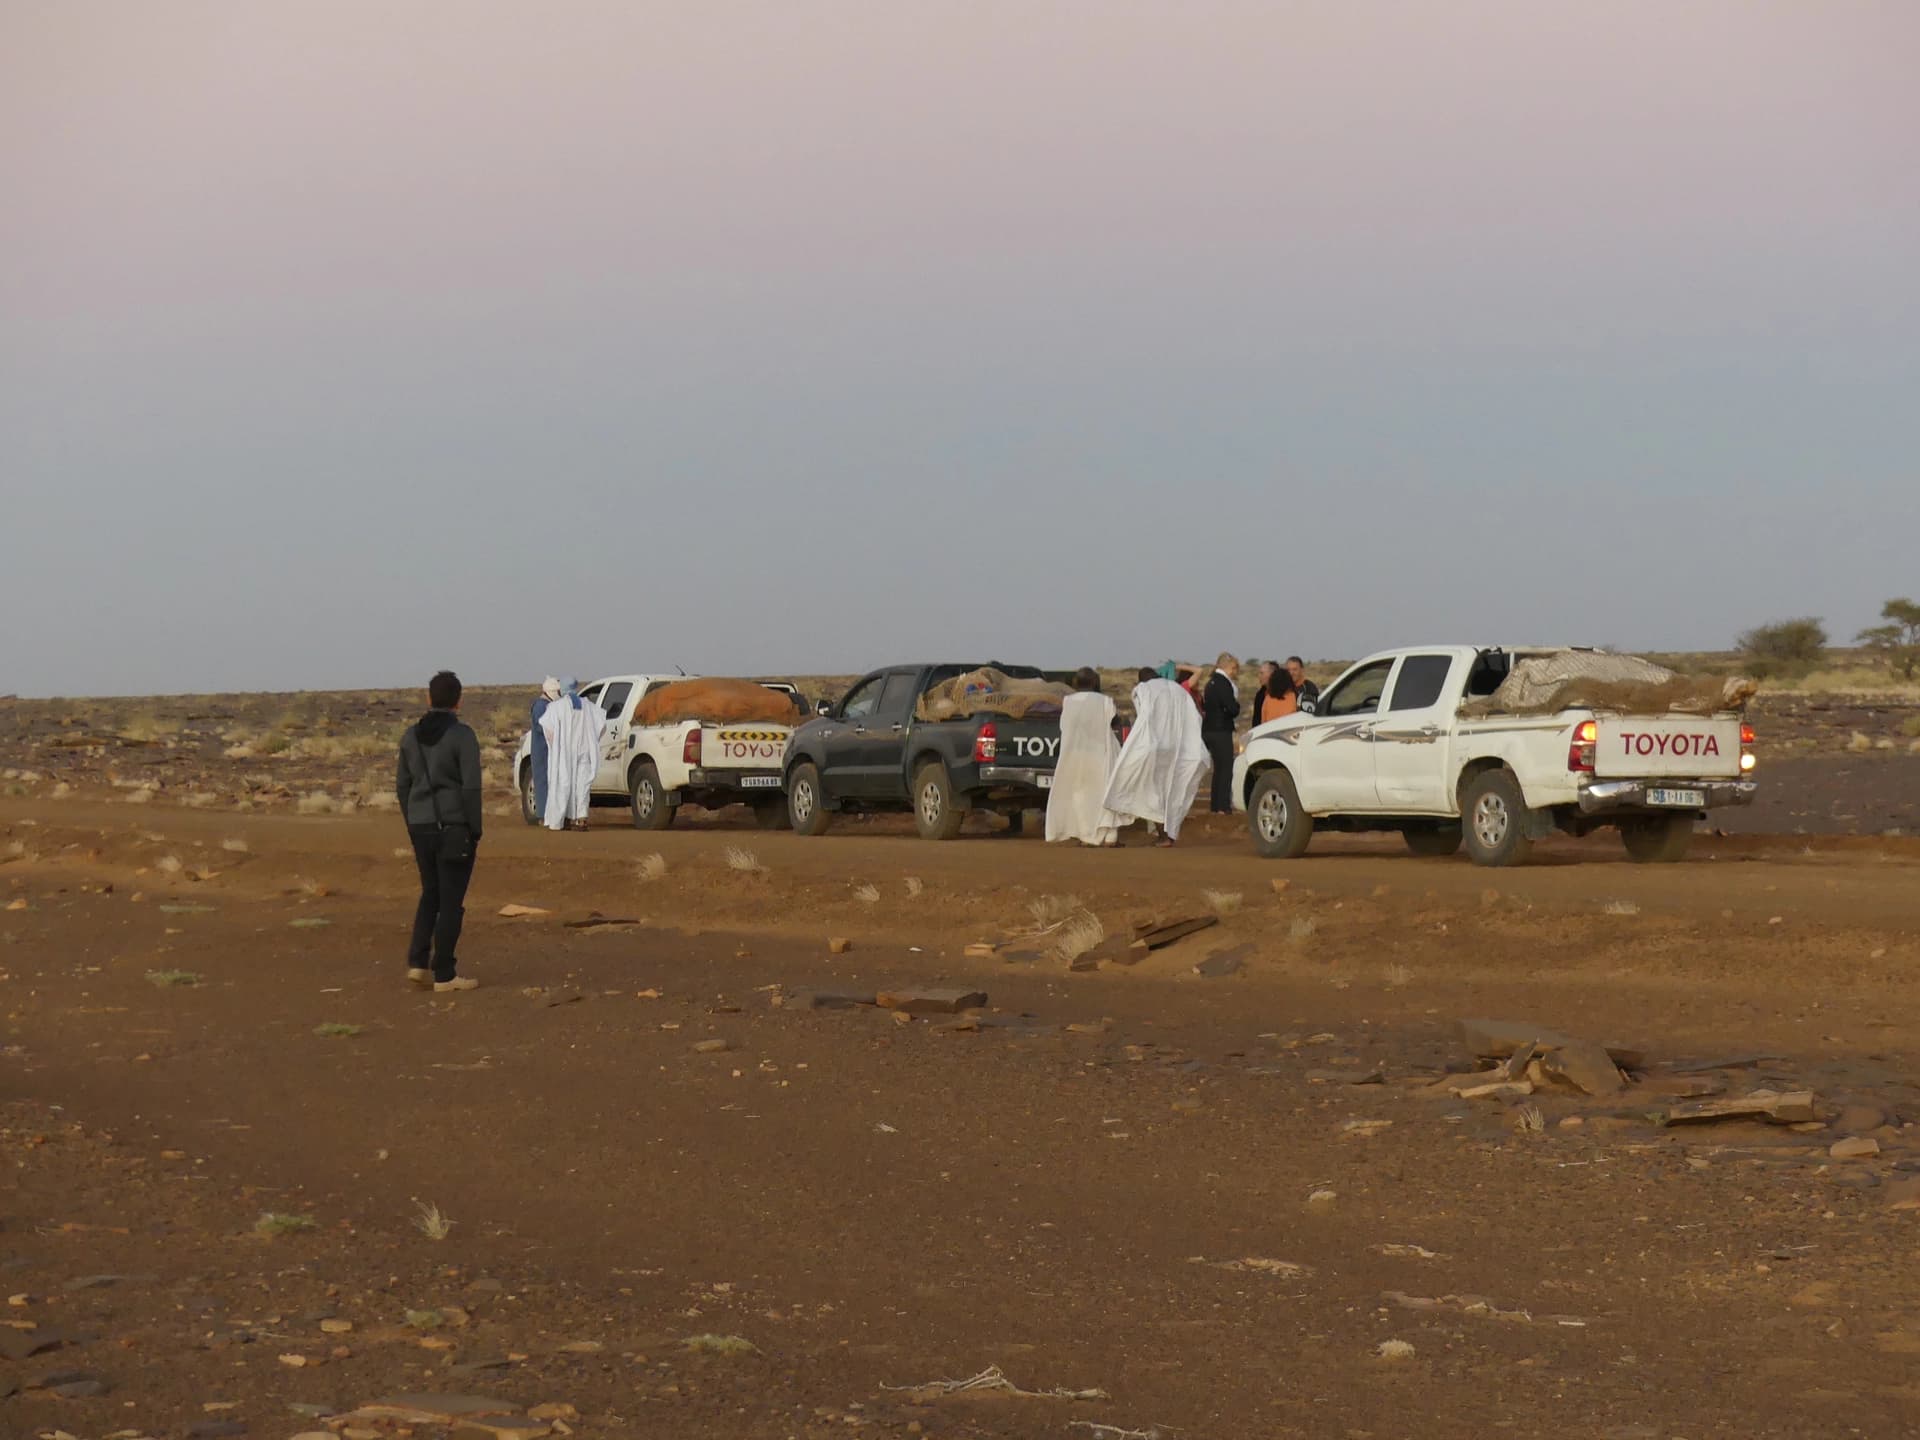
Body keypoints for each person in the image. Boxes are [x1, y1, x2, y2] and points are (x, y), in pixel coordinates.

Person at [396, 670, 483, 993]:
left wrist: (413, 820)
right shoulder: (463, 736)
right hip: (453, 826)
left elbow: (402, 786)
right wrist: (475, 828)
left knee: (430, 893)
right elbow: (472, 787)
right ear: (458, 702)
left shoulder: (409, 736)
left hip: (420, 826)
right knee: (451, 901)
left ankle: (418, 962)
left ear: (429, 698)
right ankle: (444, 973)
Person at [1104, 668, 1208, 847]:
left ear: (1141, 680)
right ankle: (1170, 834)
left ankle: (1163, 835)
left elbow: (1143, 715)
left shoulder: (1144, 688)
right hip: (1178, 749)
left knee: (1152, 791)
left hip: (1154, 746)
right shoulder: (1178, 690)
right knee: (1171, 792)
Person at [1045, 667, 1123, 847]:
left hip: (1075, 754)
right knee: (1104, 793)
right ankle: (1109, 837)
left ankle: (1086, 836)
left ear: (1075, 683)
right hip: (1100, 753)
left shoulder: (1068, 701)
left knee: (1080, 795)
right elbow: (1115, 721)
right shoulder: (1105, 701)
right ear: (1095, 682)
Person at [538, 676, 605, 831]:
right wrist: (592, 740)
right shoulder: (588, 706)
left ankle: (562, 819)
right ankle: (581, 818)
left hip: (564, 753)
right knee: (582, 785)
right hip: (585, 751)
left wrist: (556, 745)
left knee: (563, 782)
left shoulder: (556, 707)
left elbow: (548, 731)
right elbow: (602, 727)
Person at [1201, 651, 1242, 814]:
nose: (1235, 672)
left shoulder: (1210, 683)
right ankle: (1223, 806)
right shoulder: (1223, 683)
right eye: (1234, 668)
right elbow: (1232, 707)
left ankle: (1215, 805)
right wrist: (1236, 707)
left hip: (1209, 729)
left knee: (1218, 769)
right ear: (1228, 667)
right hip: (1221, 730)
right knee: (1225, 768)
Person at [529, 677, 560, 819]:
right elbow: (542, 727)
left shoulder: (546, 704)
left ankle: (549, 814)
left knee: (549, 782)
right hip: (541, 751)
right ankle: (543, 815)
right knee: (542, 783)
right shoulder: (541, 706)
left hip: (546, 750)